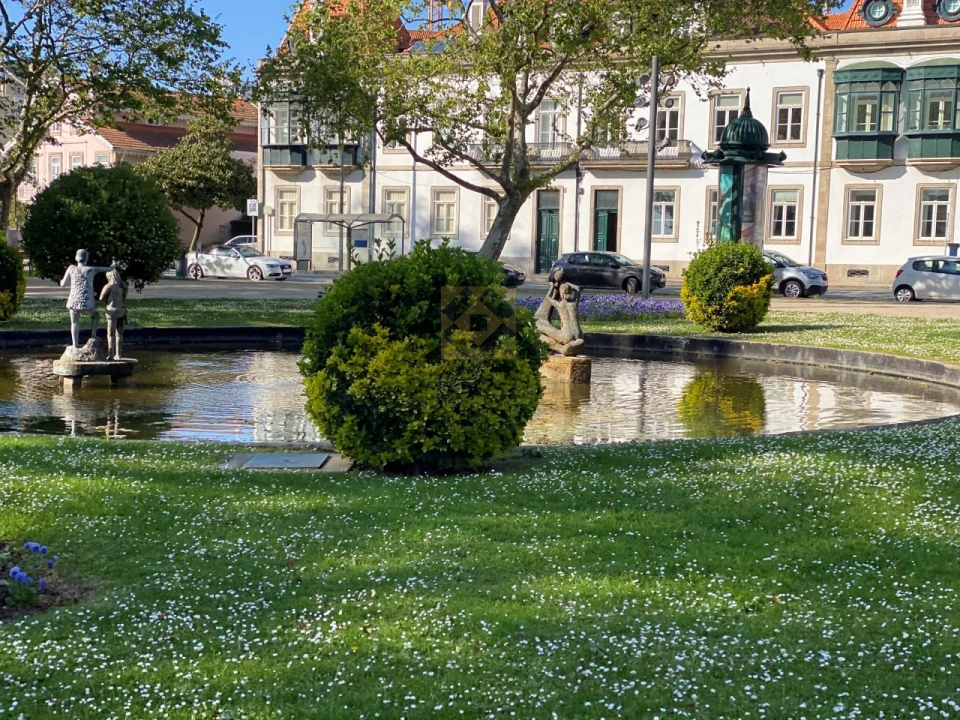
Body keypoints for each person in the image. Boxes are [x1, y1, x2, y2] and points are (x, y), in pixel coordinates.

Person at [59, 250, 113, 349]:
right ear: (86, 258)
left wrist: (61, 281)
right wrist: (113, 265)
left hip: (73, 301)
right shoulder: (91, 269)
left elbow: (62, 284)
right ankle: (93, 336)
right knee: (95, 316)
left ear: (76, 258)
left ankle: (75, 345)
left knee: (74, 322)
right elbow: (108, 269)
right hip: (87, 302)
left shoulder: (71, 268)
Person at [99, 266, 128, 360]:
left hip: (111, 311)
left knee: (110, 334)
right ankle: (118, 354)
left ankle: (110, 355)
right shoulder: (123, 286)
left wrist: (107, 302)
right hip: (121, 310)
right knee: (120, 334)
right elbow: (124, 298)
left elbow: (101, 298)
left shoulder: (109, 286)